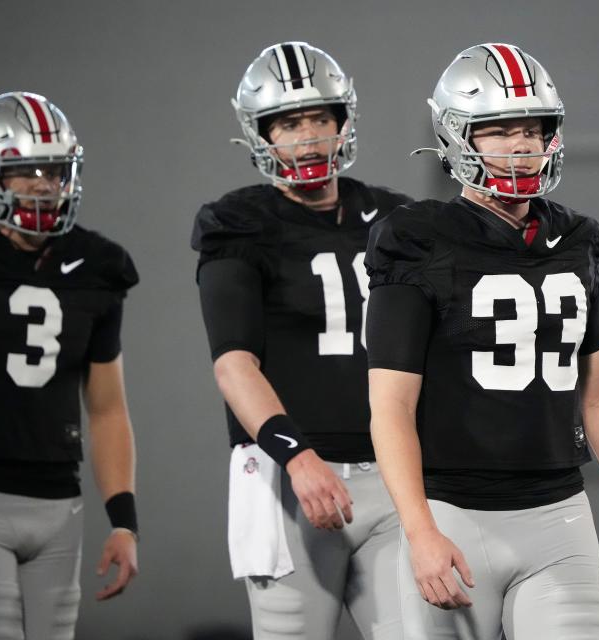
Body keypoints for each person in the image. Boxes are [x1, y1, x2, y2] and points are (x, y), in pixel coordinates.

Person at [365, 43, 599, 640]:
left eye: (534, 130)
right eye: (499, 130)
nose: (521, 145)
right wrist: (419, 529)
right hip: (453, 514)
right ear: (458, 137)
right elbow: (390, 407)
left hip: (559, 515)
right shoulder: (416, 240)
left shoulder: (576, 240)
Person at [191, 42, 413, 640]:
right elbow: (235, 365)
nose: (309, 138)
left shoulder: (394, 218)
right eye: (290, 123)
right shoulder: (239, 222)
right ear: (261, 134)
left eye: (321, 119)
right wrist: (297, 454)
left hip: (394, 472)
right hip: (289, 475)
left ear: (344, 124)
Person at [0, 92, 140, 640]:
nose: (43, 184)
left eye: (54, 170)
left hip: (59, 503)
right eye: (25, 170)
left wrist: (125, 520)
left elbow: (107, 408)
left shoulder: (97, 264)